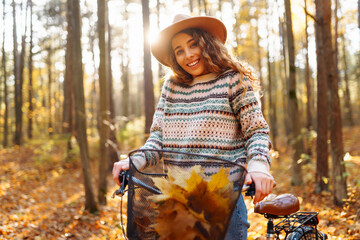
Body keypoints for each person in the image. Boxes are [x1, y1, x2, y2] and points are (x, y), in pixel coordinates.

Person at [112, 14, 275, 239]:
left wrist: (259, 166)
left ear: (206, 43)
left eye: (193, 44)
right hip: (178, 201)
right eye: (179, 50)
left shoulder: (232, 79)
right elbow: (157, 139)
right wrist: (133, 161)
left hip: (222, 200)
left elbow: (256, 131)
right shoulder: (172, 86)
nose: (188, 55)